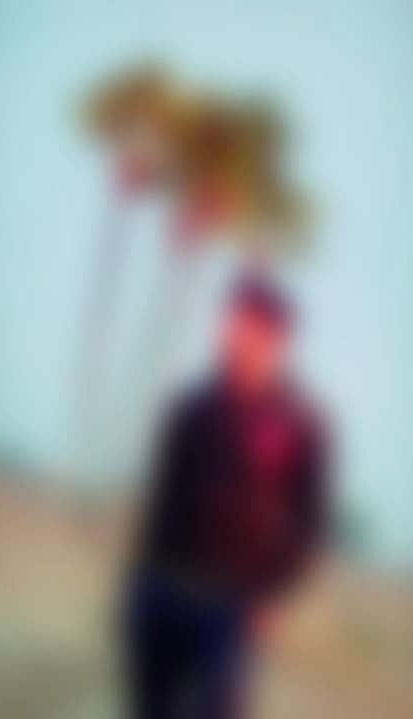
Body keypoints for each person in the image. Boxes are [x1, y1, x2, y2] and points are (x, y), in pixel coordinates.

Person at [124, 272, 331, 718]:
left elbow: (310, 523)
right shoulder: (193, 407)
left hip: (232, 607)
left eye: (251, 329)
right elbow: (163, 499)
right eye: (232, 324)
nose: (236, 338)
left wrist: (273, 594)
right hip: (165, 588)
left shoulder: (300, 423)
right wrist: (141, 585)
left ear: (277, 341)